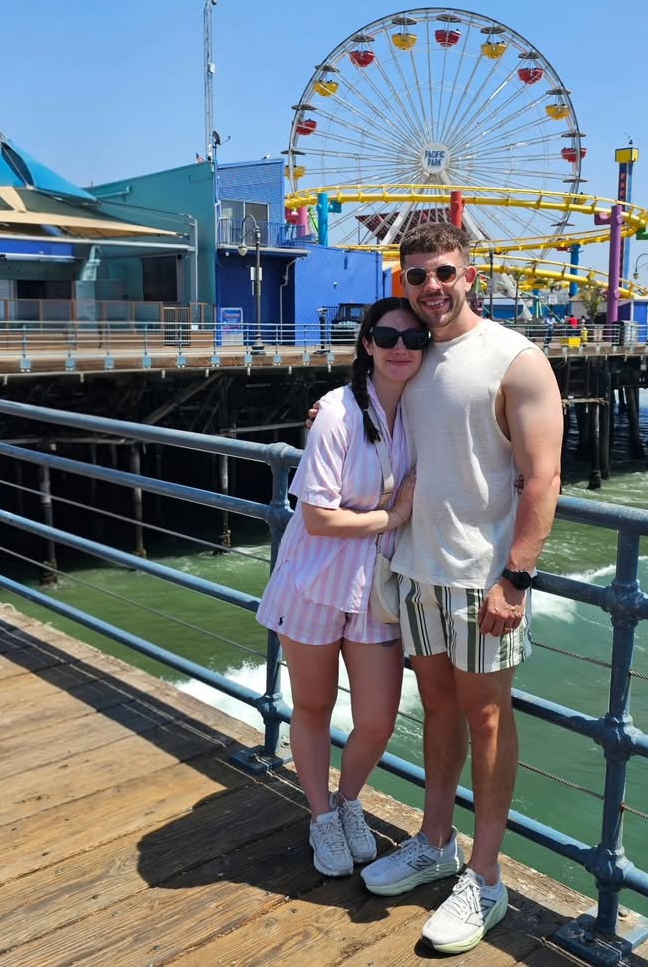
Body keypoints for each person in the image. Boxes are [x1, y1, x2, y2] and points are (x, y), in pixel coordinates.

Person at [360, 223, 563, 955]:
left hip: (483, 578)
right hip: (418, 567)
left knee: (488, 719)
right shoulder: (410, 353)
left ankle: (486, 876)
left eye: (444, 272)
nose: (432, 287)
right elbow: (376, 410)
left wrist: (517, 577)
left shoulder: (516, 359)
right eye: (417, 276)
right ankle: (436, 841)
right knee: (439, 709)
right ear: (403, 283)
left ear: (470, 274)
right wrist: (329, 410)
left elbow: (543, 477)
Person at [257, 296, 426, 878]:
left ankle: (348, 799)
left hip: (376, 585)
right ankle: (321, 815)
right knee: (313, 705)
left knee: (377, 718)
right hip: (315, 578)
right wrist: (392, 517)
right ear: (367, 344)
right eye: (388, 337)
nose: (401, 348)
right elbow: (317, 518)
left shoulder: (423, 412)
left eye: (414, 339)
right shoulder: (336, 412)